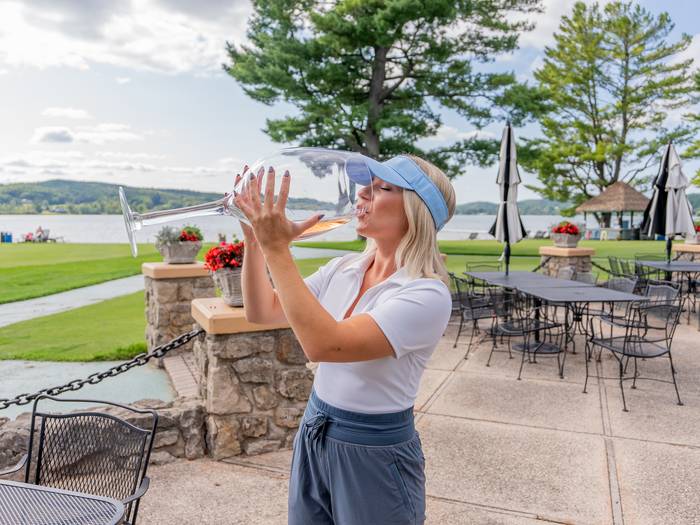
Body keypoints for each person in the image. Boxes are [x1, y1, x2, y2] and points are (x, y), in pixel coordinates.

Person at [234, 153, 456, 525]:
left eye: (381, 188)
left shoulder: (426, 295)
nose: (362, 195)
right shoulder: (344, 268)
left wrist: (278, 248)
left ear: (418, 211)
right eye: (364, 186)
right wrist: (256, 243)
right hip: (315, 427)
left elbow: (325, 345)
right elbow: (262, 310)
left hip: (374, 450)